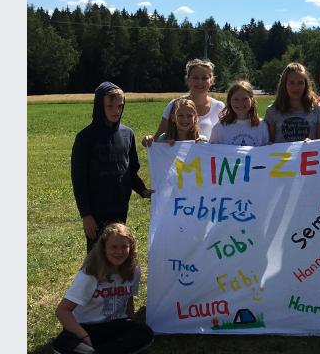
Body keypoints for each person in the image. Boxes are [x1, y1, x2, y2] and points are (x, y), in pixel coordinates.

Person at [53, 223, 155, 354]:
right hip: (86, 327)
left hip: (114, 324)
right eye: (113, 247)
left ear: (131, 247)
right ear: (103, 248)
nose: (119, 252)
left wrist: (131, 323)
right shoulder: (90, 274)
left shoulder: (133, 270)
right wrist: (83, 335)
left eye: (124, 247)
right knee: (62, 343)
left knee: (145, 334)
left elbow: (128, 298)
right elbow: (62, 311)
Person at [71, 81, 152, 252]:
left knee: (117, 250)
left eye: (120, 106)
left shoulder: (127, 134)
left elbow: (130, 170)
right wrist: (86, 215)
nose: (116, 111)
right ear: (100, 106)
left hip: (120, 204)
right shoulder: (85, 138)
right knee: (97, 256)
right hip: (96, 209)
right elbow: (78, 179)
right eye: (110, 106)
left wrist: (142, 190)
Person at [143, 58, 226, 145]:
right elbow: (157, 138)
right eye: (195, 77)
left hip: (207, 157)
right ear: (188, 79)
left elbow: (225, 138)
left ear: (211, 81)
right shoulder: (174, 104)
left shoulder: (219, 107)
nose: (200, 82)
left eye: (205, 78)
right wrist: (148, 140)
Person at [265, 62, 320, 143]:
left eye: (300, 83)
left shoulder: (318, 109)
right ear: (284, 84)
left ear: (306, 84)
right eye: (291, 82)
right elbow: (268, 145)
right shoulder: (272, 111)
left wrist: (313, 144)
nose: (296, 87)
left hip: (309, 155)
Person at [210, 81, 270, 146]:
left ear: (252, 100)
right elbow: (212, 151)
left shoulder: (262, 126)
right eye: (235, 99)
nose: (240, 103)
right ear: (229, 101)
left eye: (245, 99)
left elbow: (266, 151)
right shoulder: (220, 127)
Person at [142, 98, 208, 145]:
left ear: (195, 118)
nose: (185, 119)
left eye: (189, 116)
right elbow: (150, 146)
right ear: (173, 118)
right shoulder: (163, 139)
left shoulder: (201, 140)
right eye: (180, 116)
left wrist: (204, 145)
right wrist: (147, 140)